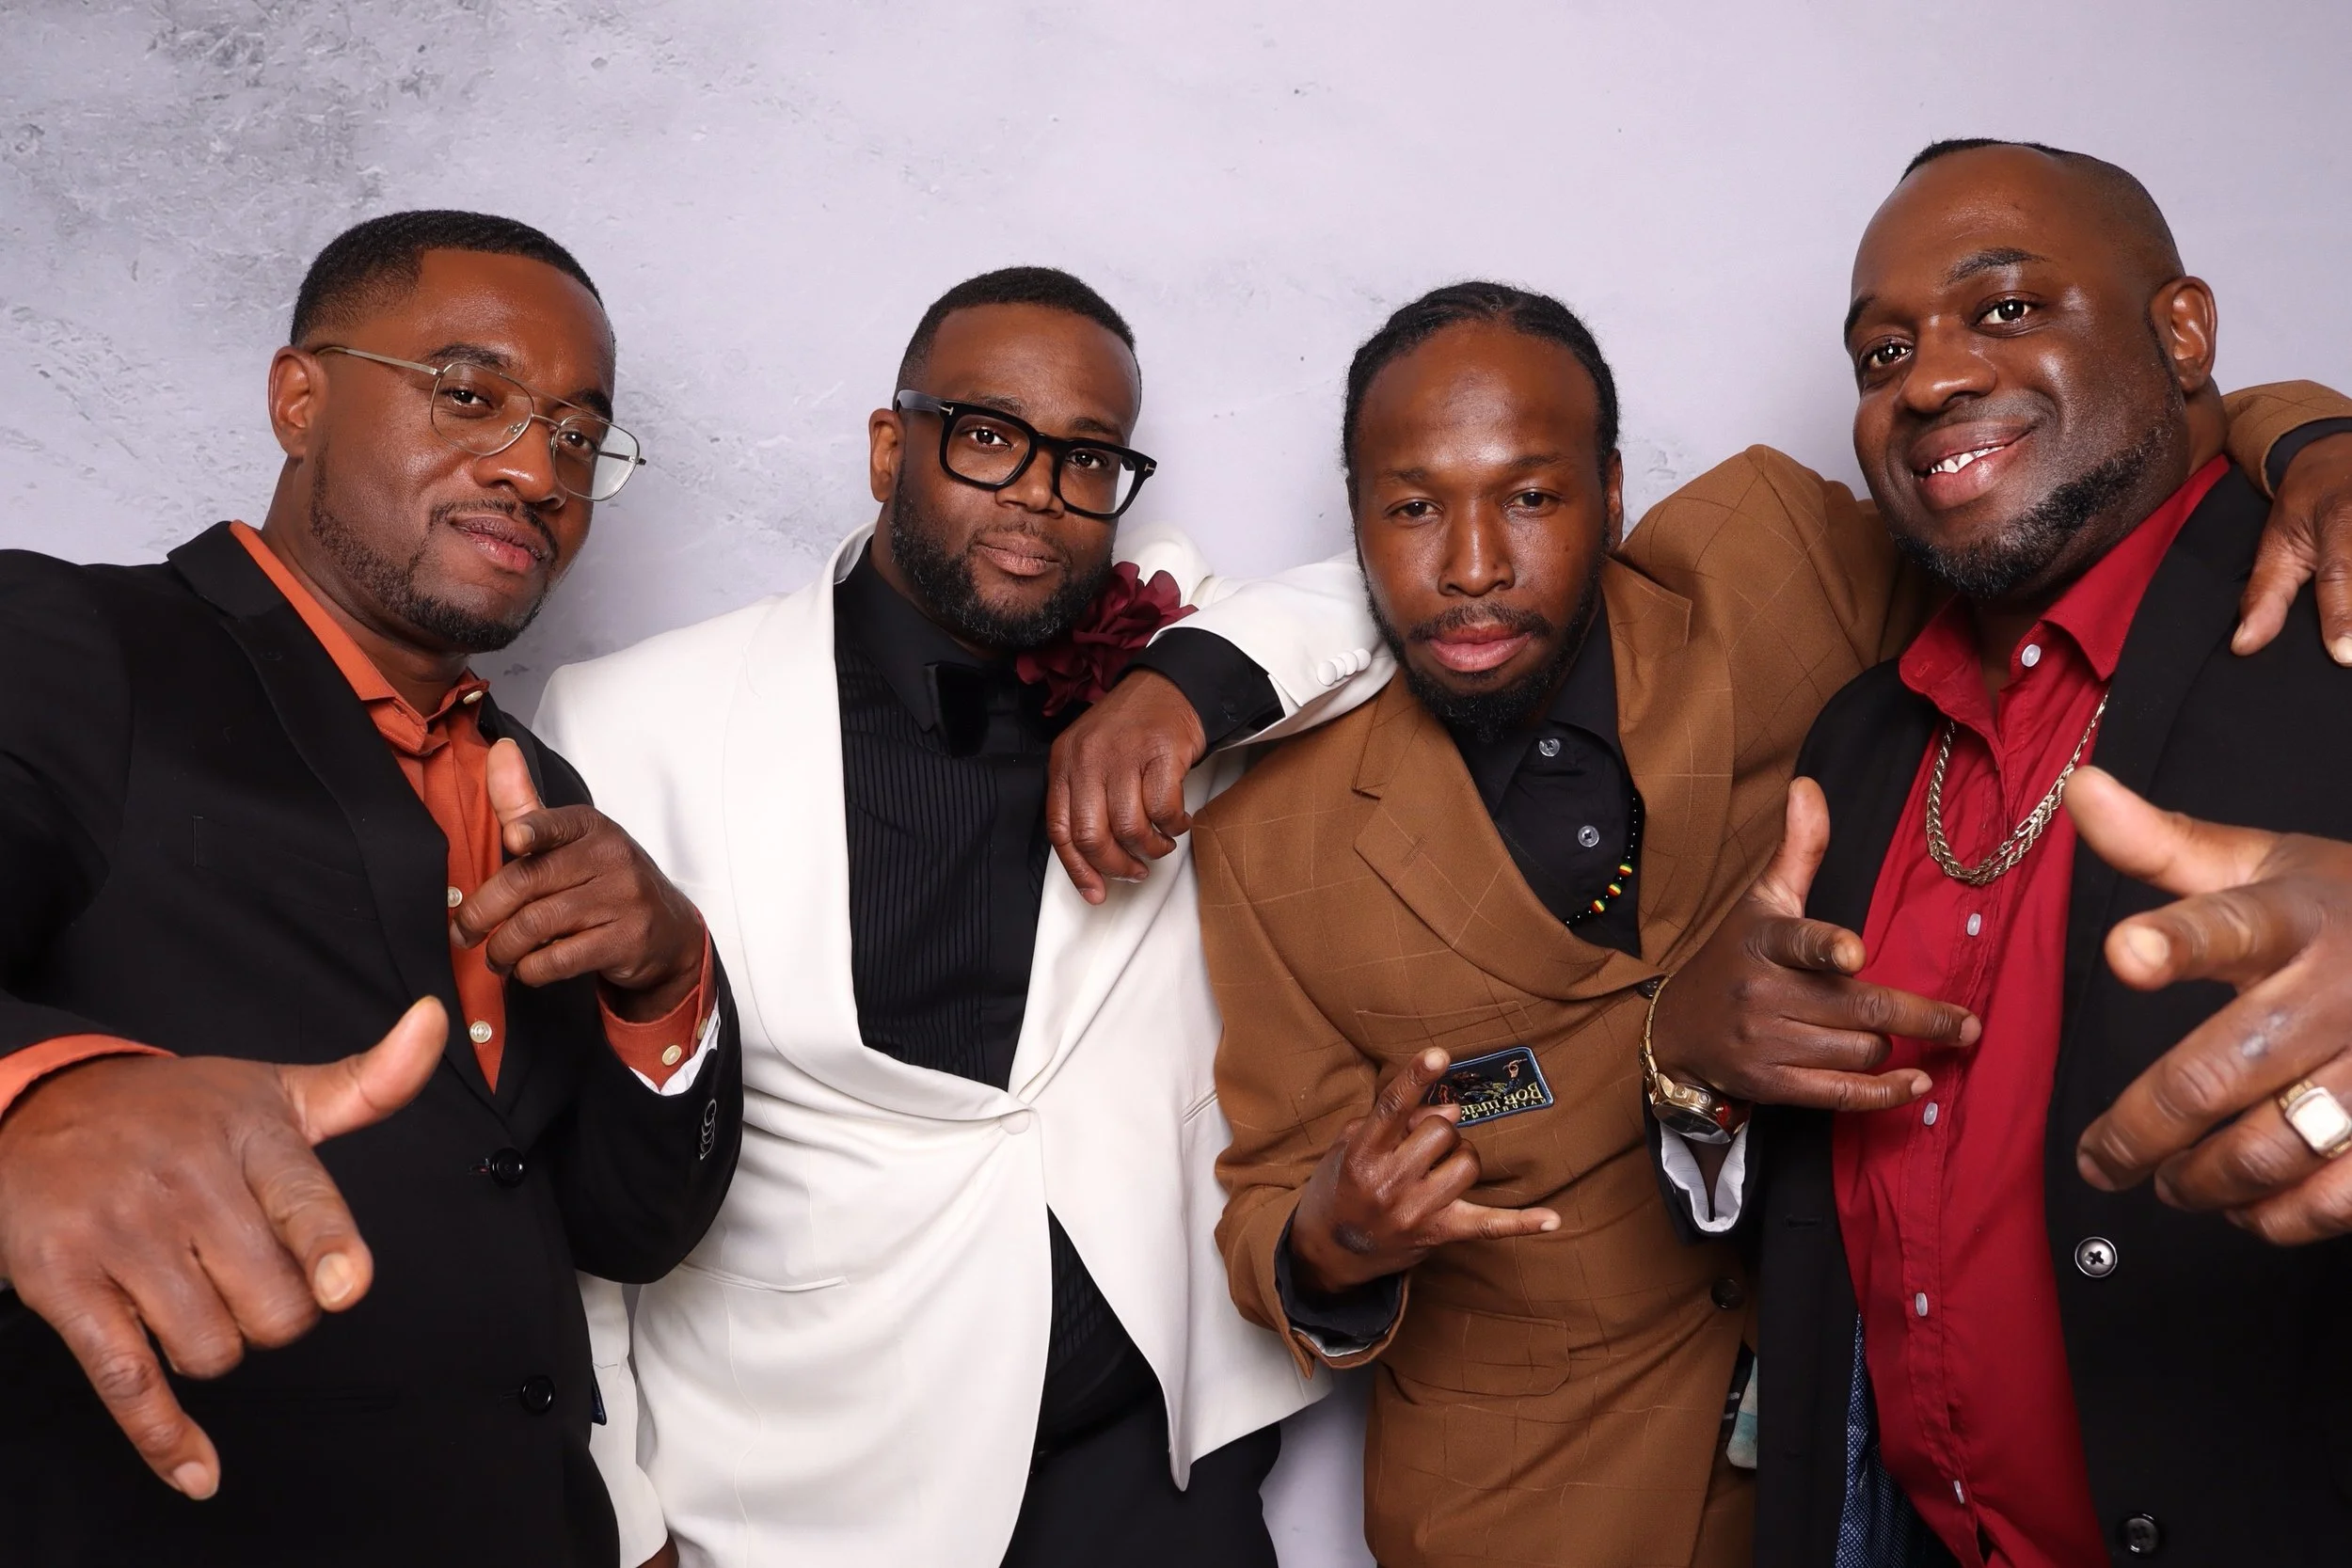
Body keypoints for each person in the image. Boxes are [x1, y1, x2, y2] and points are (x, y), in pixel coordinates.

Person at [1192, 273, 2352, 1566]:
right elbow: (1264, 1209)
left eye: (1531, 495)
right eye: (1412, 508)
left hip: (1857, 1462)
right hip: (1523, 1507)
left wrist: (2307, 435)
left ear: (1613, 490)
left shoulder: (1769, 563)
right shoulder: (1268, 844)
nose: (1472, 564)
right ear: (1352, 526)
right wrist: (1337, 1239)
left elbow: (2069, 467)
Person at [539, 266, 1394, 1568]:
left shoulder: (1173, 660)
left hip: (1155, 1469)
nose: (1042, 497)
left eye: (1090, 459)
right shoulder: (633, 723)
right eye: (990, 437)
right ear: (892, 446)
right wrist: (619, 1511)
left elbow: (1404, 587)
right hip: (813, 1494)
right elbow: (573, 1183)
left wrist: (1182, 687)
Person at [0, 211, 744, 1566]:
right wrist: (36, 1094)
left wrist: (667, 975)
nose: (536, 469)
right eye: (472, 396)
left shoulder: (546, 792)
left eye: (578, 435)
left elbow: (625, 1229)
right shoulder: (70, 644)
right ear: (300, 399)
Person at [1645, 138, 2352, 1566]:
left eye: (2008, 308)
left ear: (2183, 331)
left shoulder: (2336, 623)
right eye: (1882, 350)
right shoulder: (1858, 737)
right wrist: (1692, 1063)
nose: (1929, 378)